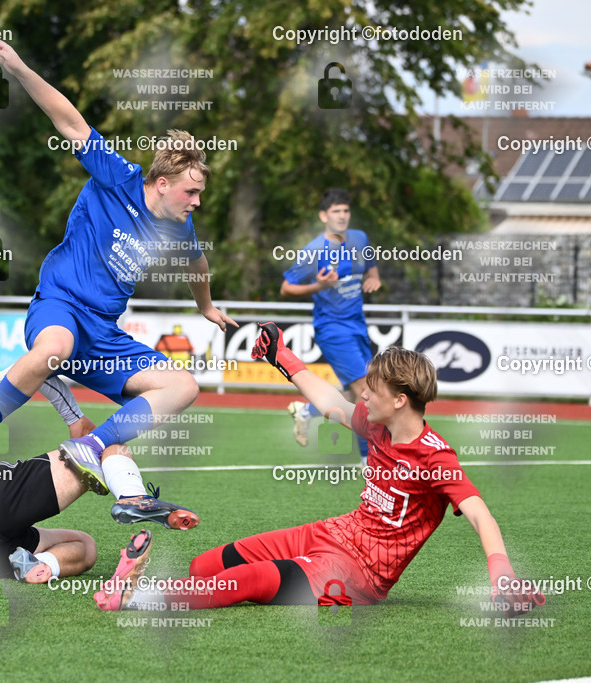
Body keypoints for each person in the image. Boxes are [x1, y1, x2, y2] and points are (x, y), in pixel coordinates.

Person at [0, 40, 236, 498]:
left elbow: (198, 262)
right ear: (160, 183)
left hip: (103, 336)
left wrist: (207, 307)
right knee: (55, 345)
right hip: (59, 307)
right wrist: (18, 68)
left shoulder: (180, 226)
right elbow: (68, 120)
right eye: (190, 193)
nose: (196, 202)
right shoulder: (117, 176)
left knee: (184, 385)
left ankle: (92, 446)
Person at [95, 323, 545, 617]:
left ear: (401, 400)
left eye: (373, 388)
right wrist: (284, 358)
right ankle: (160, 585)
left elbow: (480, 513)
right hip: (332, 533)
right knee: (207, 564)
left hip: (359, 576)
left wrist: (501, 572)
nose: (364, 394)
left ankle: (135, 596)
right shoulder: (377, 425)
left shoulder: (434, 456)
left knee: (251, 580)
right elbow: (331, 403)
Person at [0, 350, 197, 583]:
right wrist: (74, 418)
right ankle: (133, 496)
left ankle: (38, 566)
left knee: (84, 547)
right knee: (104, 443)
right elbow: (37, 367)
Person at [280, 188, 380, 465]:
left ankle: (306, 412)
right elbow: (286, 287)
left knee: (353, 392)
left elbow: (370, 266)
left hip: (358, 326)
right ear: (323, 215)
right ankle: (367, 461)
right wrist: (319, 286)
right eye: (336, 211)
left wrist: (374, 278)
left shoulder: (360, 238)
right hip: (332, 330)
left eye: (346, 210)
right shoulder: (314, 251)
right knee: (364, 392)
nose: (342, 215)